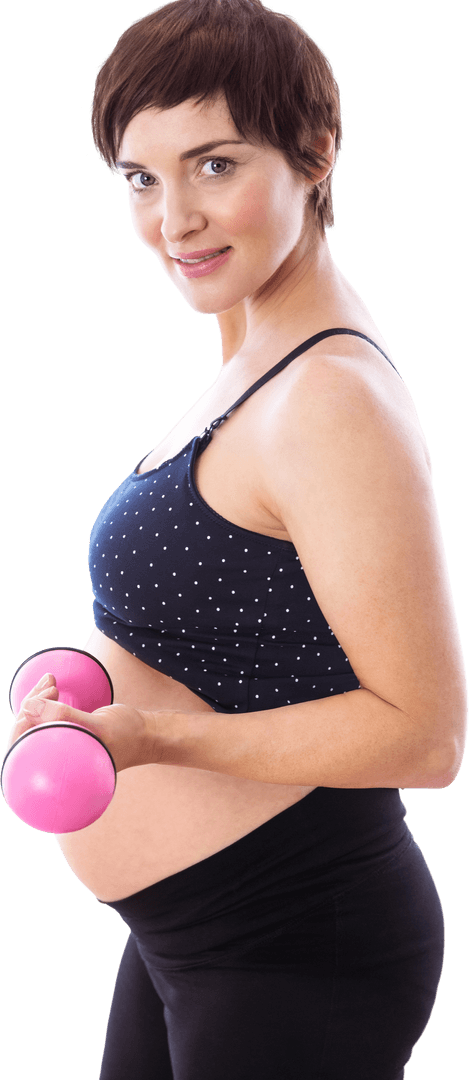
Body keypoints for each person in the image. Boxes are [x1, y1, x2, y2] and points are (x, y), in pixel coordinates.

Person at [8, 1, 467, 1077]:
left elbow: (426, 736)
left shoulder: (330, 399)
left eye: (214, 164)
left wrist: (150, 742)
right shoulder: (252, 363)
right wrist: (91, 694)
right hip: (190, 936)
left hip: (294, 948)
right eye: (141, 178)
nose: (174, 219)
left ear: (313, 154)